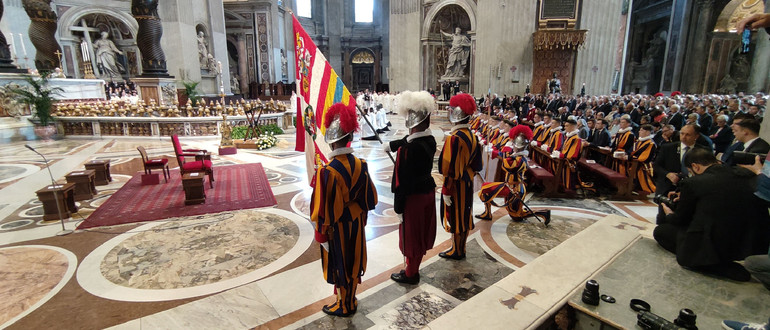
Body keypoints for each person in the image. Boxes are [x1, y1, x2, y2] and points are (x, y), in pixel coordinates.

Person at [653, 148, 770, 281]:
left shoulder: (693, 183)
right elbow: (721, 197)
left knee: (661, 231)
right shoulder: (746, 173)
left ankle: (713, 265)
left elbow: (680, 219)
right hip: (748, 241)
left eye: (691, 172)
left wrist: (669, 214)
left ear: (695, 167)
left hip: (715, 240)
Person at [310, 102, 378, 317]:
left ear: (332, 142)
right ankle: (350, 298)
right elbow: (370, 199)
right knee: (354, 261)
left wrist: (321, 234)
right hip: (356, 221)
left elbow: (323, 210)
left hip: (337, 226)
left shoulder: (328, 172)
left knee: (340, 264)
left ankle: (344, 305)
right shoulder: (362, 164)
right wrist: (360, 216)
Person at [385, 91, 437, 285]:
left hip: (412, 198)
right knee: (421, 235)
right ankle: (411, 268)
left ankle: (411, 274)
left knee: (411, 238)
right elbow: (411, 140)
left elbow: (400, 183)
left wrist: (398, 208)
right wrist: (391, 145)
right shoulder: (429, 141)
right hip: (427, 192)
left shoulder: (407, 151)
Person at [476, 125, 551, 224]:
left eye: (514, 146)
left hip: (515, 189)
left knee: (516, 216)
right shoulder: (517, 156)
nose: (513, 147)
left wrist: (504, 151)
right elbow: (505, 156)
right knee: (486, 189)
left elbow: (508, 166)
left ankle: (543, 213)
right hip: (509, 186)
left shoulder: (520, 159)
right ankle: (487, 213)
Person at [439, 93, 483, 260]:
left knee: (456, 215)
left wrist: (445, 189)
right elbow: (478, 166)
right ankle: (460, 248)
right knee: (465, 214)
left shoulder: (454, 139)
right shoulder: (473, 137)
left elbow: (447, 168)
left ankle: (457, 250)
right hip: (468, 183)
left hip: (455, 185)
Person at [653, 124, 701, 197]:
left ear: (696, 136)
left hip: (690, 189)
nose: (684, 137)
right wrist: (668, 174)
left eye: (688, 135)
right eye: (682, 133)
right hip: (667, 187)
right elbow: (657, 165)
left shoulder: (702, 151)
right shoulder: (668, 148)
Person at [627, 124, 656, 194]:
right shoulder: (639, 141)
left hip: (643, 165)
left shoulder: (651, 143)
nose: (639, 131)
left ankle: (638, 189)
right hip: (634, 163)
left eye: (642, 130)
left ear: (648, 132)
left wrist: (630, 157)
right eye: (640, 130)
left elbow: (645, 157)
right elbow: (632, 151)